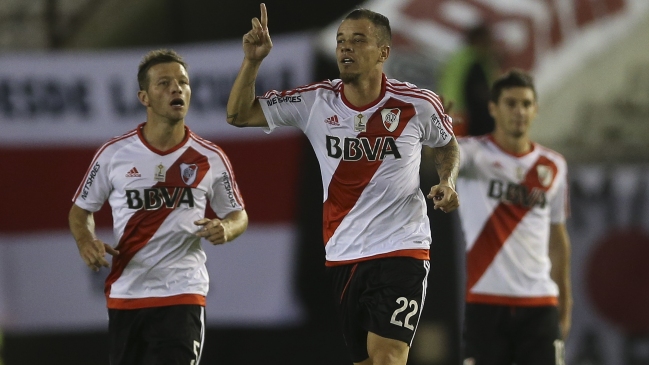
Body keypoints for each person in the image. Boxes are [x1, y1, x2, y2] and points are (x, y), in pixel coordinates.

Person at [226, 4, 460, 365]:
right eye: (340, 41)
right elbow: (238, 115)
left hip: (403, 250)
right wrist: (253, 61)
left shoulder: (416, 103)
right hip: (343, 253)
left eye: (358, 40)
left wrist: (447, 180)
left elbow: (446, 144)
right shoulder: (315, 101)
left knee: (387, 358)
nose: (345, 48)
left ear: (384, 52)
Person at [68, 49, 249, 365]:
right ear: (144, 97)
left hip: (181, 293)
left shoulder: (210, 158)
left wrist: (227, 228)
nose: (176, 89)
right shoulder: (114, 154)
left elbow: (238, 214)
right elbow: (80, 211)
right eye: (164, 83)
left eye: (183, 82)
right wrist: (86, 241)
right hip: (127, 294)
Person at [456, 69, 572, 365]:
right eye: (510, 103)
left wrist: (565, 299)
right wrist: (437, 131)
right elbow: (440, 157)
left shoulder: (553, 166)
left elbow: (557, 238)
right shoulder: (472, 155)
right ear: (493, 108)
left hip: (539, 302)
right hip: (486, 300)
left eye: (526, 104)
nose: (519, 111)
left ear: (535, 109)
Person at [438, 23, 500, 137]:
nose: (490, 45)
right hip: (461, 114)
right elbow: (479, 90)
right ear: (478, 40)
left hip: (448, 110)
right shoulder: (474, 59)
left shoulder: (459, 57)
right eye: (487, 40)